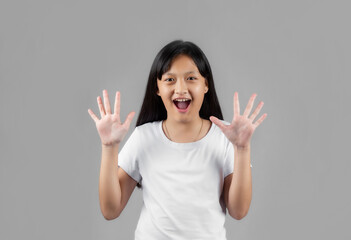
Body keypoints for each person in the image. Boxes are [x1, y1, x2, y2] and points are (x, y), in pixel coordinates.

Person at [88, 40, 267, 239]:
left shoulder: (224, 138)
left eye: (191, 78)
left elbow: (238, 211)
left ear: (205, 84)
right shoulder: (143, 137)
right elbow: (110, 210)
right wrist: (109, 146)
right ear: (157, 87)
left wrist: (242, 149)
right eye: (170, 80)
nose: (180, 89)